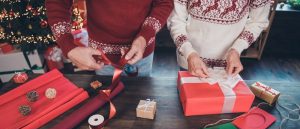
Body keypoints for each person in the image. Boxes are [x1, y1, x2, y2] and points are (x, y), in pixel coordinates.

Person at [46, 0, 174, 76]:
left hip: (143, 52)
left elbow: (164, 2)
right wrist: (68, 47)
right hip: (102, 58)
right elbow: (57, 3)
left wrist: (144, 37)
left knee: (143, 101)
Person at [167, 0, 271, 78]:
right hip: (190, 62)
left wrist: (236, 49)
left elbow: (258, 22)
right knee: (187, 104)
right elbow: (175, 21)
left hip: (228, 65)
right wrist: (189, 53)